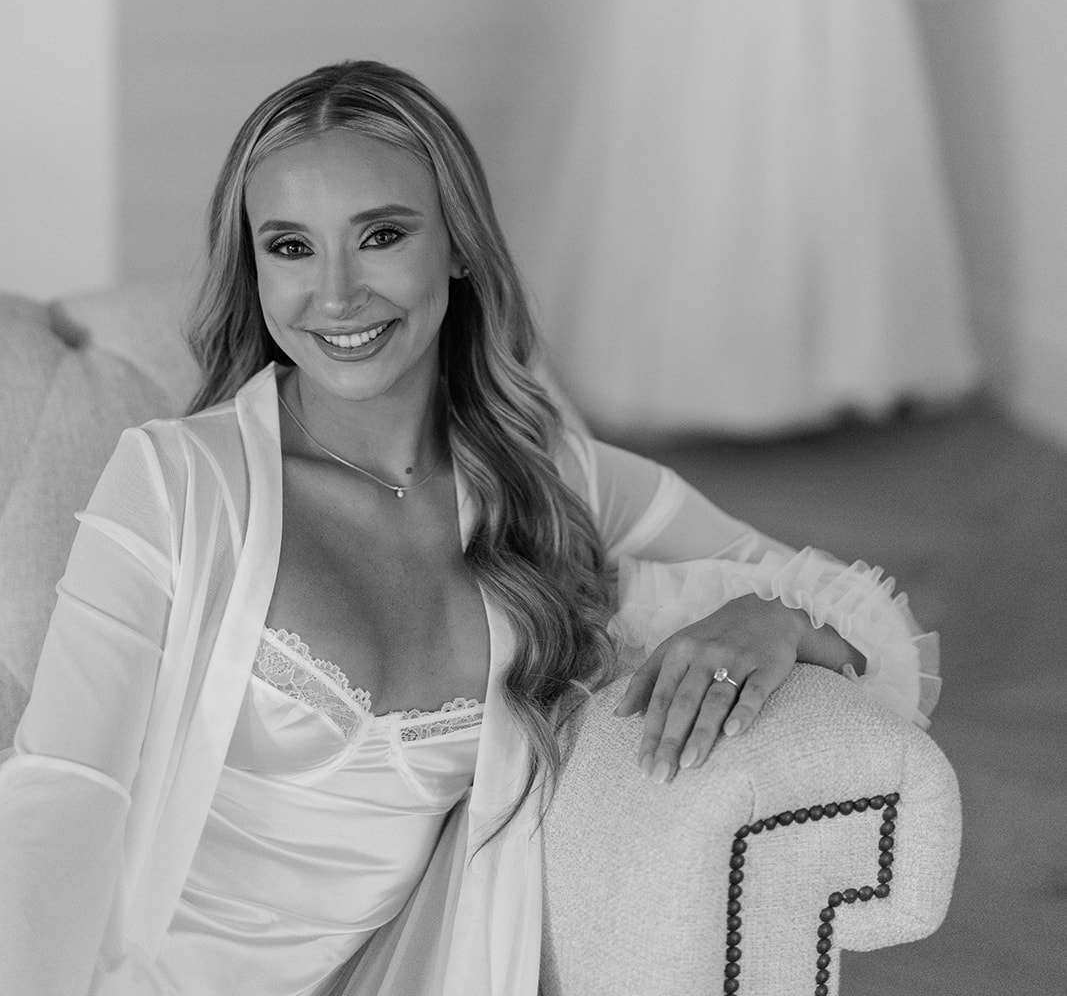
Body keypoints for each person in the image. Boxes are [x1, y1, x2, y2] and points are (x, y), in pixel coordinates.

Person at [0, 59, 939, 996]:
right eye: (289, 247)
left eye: (380, 236)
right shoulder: (175, 482)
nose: (334, 295)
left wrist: (766, 618)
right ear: (253, 268)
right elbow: (65, 796)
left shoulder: (553, 477)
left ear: (457, 244)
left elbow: (876, 633)